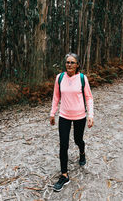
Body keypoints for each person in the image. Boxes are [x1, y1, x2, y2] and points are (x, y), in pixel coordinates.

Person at [50, 53, 94, 192]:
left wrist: (90, 115)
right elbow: (56, 97)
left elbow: (89, 98)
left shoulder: (82, 78)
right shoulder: (60, 77)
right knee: (63, 144)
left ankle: (82, 152)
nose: (69, 64)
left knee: (78, 140)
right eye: (67, 62)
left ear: (77, 65)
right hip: (64, 116)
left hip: (80, 116)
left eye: (72, 62)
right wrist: (52, 113)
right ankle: (64, 175)